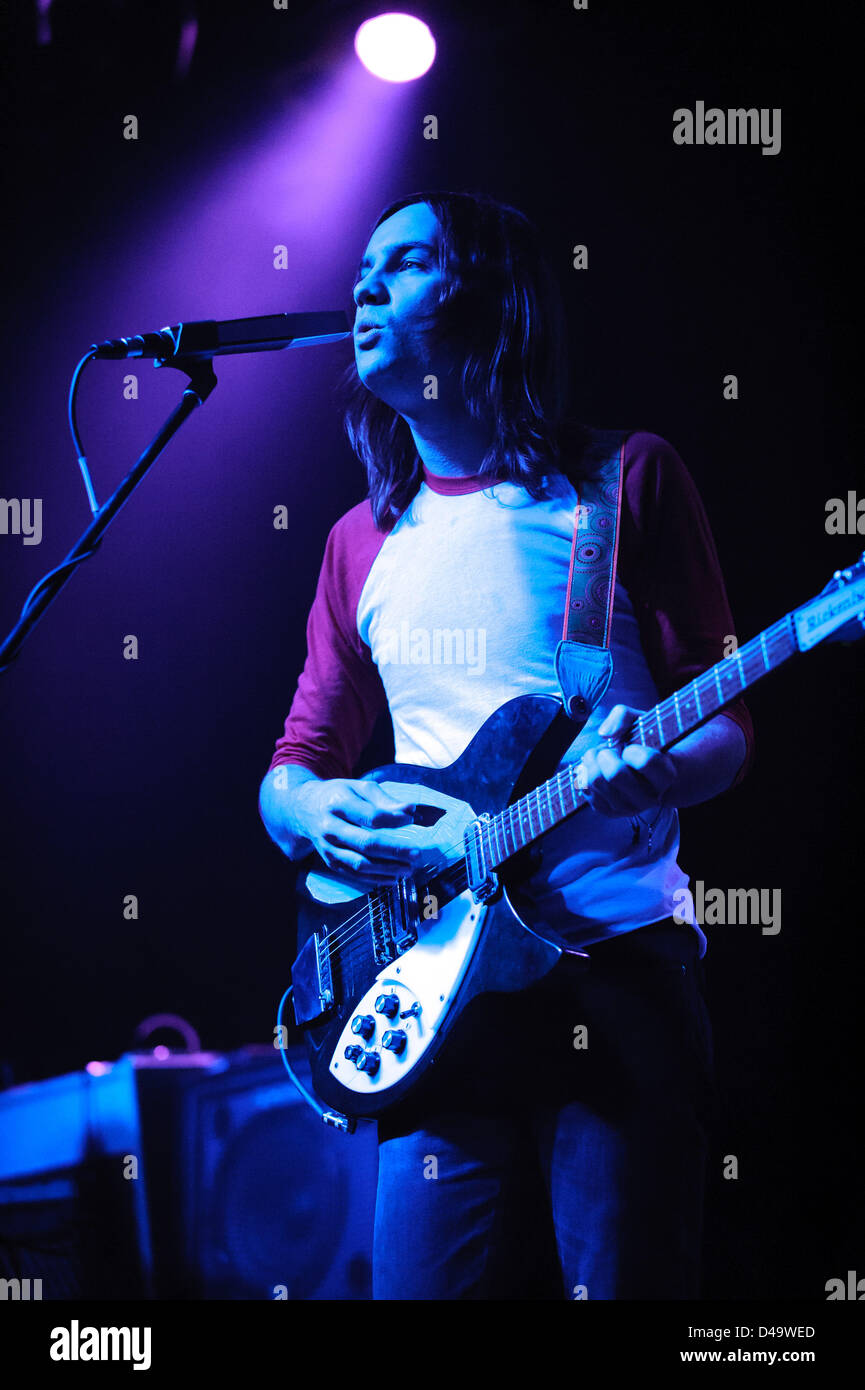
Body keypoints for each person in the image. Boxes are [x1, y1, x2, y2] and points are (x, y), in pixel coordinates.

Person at [258, 190, 754, 1300]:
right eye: (362, 268)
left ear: (490, 296)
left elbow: (724, 727)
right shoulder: (358, 539)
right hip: (433, 992)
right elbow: (296, 759)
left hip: (610, 971)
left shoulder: (622, 481)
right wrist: (304, 809)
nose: (362, 285)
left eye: (407, 262)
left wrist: (657, 771)